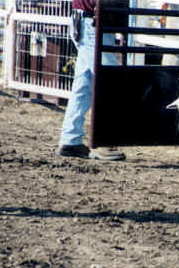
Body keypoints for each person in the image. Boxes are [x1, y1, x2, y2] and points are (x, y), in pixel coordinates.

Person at [57, 0, 126, 161]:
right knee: (108, 81)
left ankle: (71, 139)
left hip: (85, 20)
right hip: (94, 22)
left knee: (84, 84)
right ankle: (105, 141)